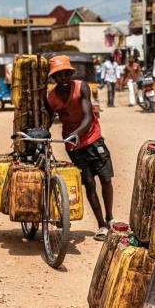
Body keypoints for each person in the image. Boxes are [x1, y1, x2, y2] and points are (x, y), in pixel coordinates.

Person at [45, 55, 115, 241]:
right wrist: (41, 134)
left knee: (106, 179)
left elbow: (88, 116)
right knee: (89, 184)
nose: (63, 79)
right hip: (73, 144)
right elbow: (48, 120)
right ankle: (101, 224)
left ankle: (110, 218)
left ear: (70, 74)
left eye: (66, 74)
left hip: (93, 138)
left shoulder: (81, 87)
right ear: (53, 78)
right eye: (58, 76)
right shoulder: (52, 98)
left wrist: (78, 132)